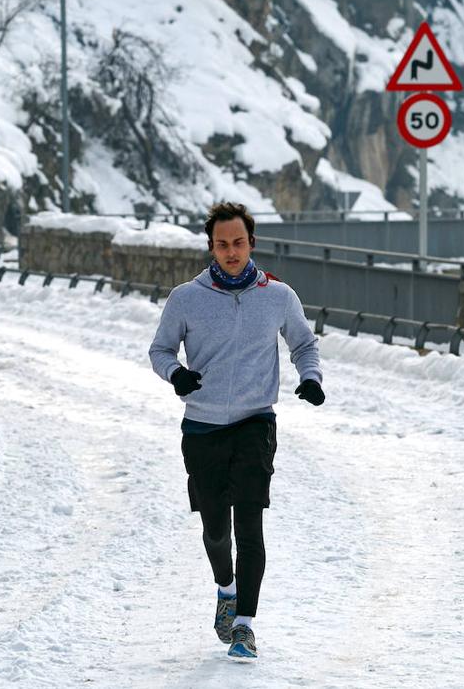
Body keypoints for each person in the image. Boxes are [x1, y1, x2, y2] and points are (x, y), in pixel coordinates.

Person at [148, 201, 325, 660]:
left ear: (252, 243)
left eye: (239, 243)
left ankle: (244, 624)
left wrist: (311, 378)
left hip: (255, 423)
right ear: (211, 246)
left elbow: (304, 343)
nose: (232, 251)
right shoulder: (185, 298)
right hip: (202, 426)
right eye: (223, 244)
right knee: (215, 530)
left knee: (249, 524)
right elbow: (160, 350)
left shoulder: (278, 296)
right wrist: (176, 375)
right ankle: (225, 590)